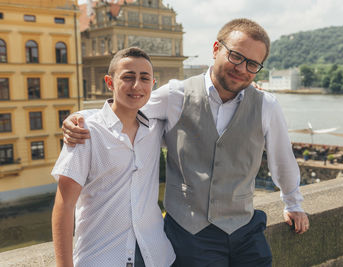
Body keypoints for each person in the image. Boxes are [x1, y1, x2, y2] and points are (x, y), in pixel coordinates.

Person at [63, 18, 309, 266]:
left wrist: (293, 202)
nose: (242, 68)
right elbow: (128, 106)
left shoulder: (266, 104)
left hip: (244, 230)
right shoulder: (175, 95)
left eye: (253, 64)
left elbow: (282, 159)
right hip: (189, 234)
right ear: (216, 49)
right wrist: (83, 118)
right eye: (236, 56)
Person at [51, 47, 175, 267]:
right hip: (102, 258)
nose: (137, 86)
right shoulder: (85, 131)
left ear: (152, 84)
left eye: (144, 79)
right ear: (109, 82)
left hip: (156, 256)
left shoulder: (155, 126)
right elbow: (64, 205)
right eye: (128, 77)